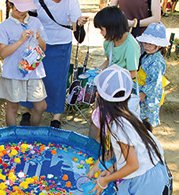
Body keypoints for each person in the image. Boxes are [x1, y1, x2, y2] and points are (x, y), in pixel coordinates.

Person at [90, 64, 167, 195]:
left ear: (98, 97)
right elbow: (133, 157)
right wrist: (111, 170)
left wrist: (104, 180)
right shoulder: (128, 115)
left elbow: (133, 165)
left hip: (142, 181)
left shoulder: (118, 126)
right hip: (156, 173)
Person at [19, 0, 88, 129]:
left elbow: (75, 27)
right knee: (31, 76)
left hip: (60, 42)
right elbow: (28, 16)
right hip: (37, 41)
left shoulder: (71, 2)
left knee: (58, 79)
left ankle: (56, 116)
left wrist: (79, 24)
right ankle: (27, 111)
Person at [0, 0, 48, 126]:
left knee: (41, 106)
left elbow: (43, 48)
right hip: (14, 72)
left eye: (25, 8)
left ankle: (32, 134)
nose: (23, 12)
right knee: (12, 107)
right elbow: (3, 53)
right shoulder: (5, 26)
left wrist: (39, 38)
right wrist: (20, 41)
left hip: (34, 71)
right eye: (18, 9)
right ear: (10, 5)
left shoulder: (35, 22)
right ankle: (12, 138)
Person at [89, 6, 140, 139]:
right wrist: (99, 69)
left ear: (112, 27)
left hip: (121, 90)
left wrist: (112, 77)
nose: (101, 33)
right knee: (97, 116)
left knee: (115, 124)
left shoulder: (131, 45)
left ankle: (110, 147)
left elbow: (133, 73)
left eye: (102, 29)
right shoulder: (109, 42)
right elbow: (108, 61)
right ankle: (92, 145)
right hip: (108, 87)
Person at [136, 23, 169, 127]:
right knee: (139, 118)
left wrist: (144, 93)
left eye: (150, 44)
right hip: (142, 89)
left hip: (150, 95)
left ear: (159, 45)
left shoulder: (157, 61)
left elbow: (155, 81)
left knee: (147, 122)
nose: (146, 46)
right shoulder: (148, 55)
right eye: (145, 43)